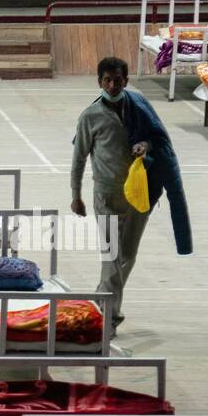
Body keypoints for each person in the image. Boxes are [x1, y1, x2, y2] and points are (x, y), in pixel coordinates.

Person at [70, 56, 192, 330]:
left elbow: (158, 138)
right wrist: (75, 195)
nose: (113, 85)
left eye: (118, 80)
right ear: (99, 82)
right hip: (106, 196)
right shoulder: (90, 117)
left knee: (127, 256)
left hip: (140, 194)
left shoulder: (139, 107)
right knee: (112, 258)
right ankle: (109, 319)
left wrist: (145, 145)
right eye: (107, 80)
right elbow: (78, 158)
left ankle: (101, 302)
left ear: (126, 80)